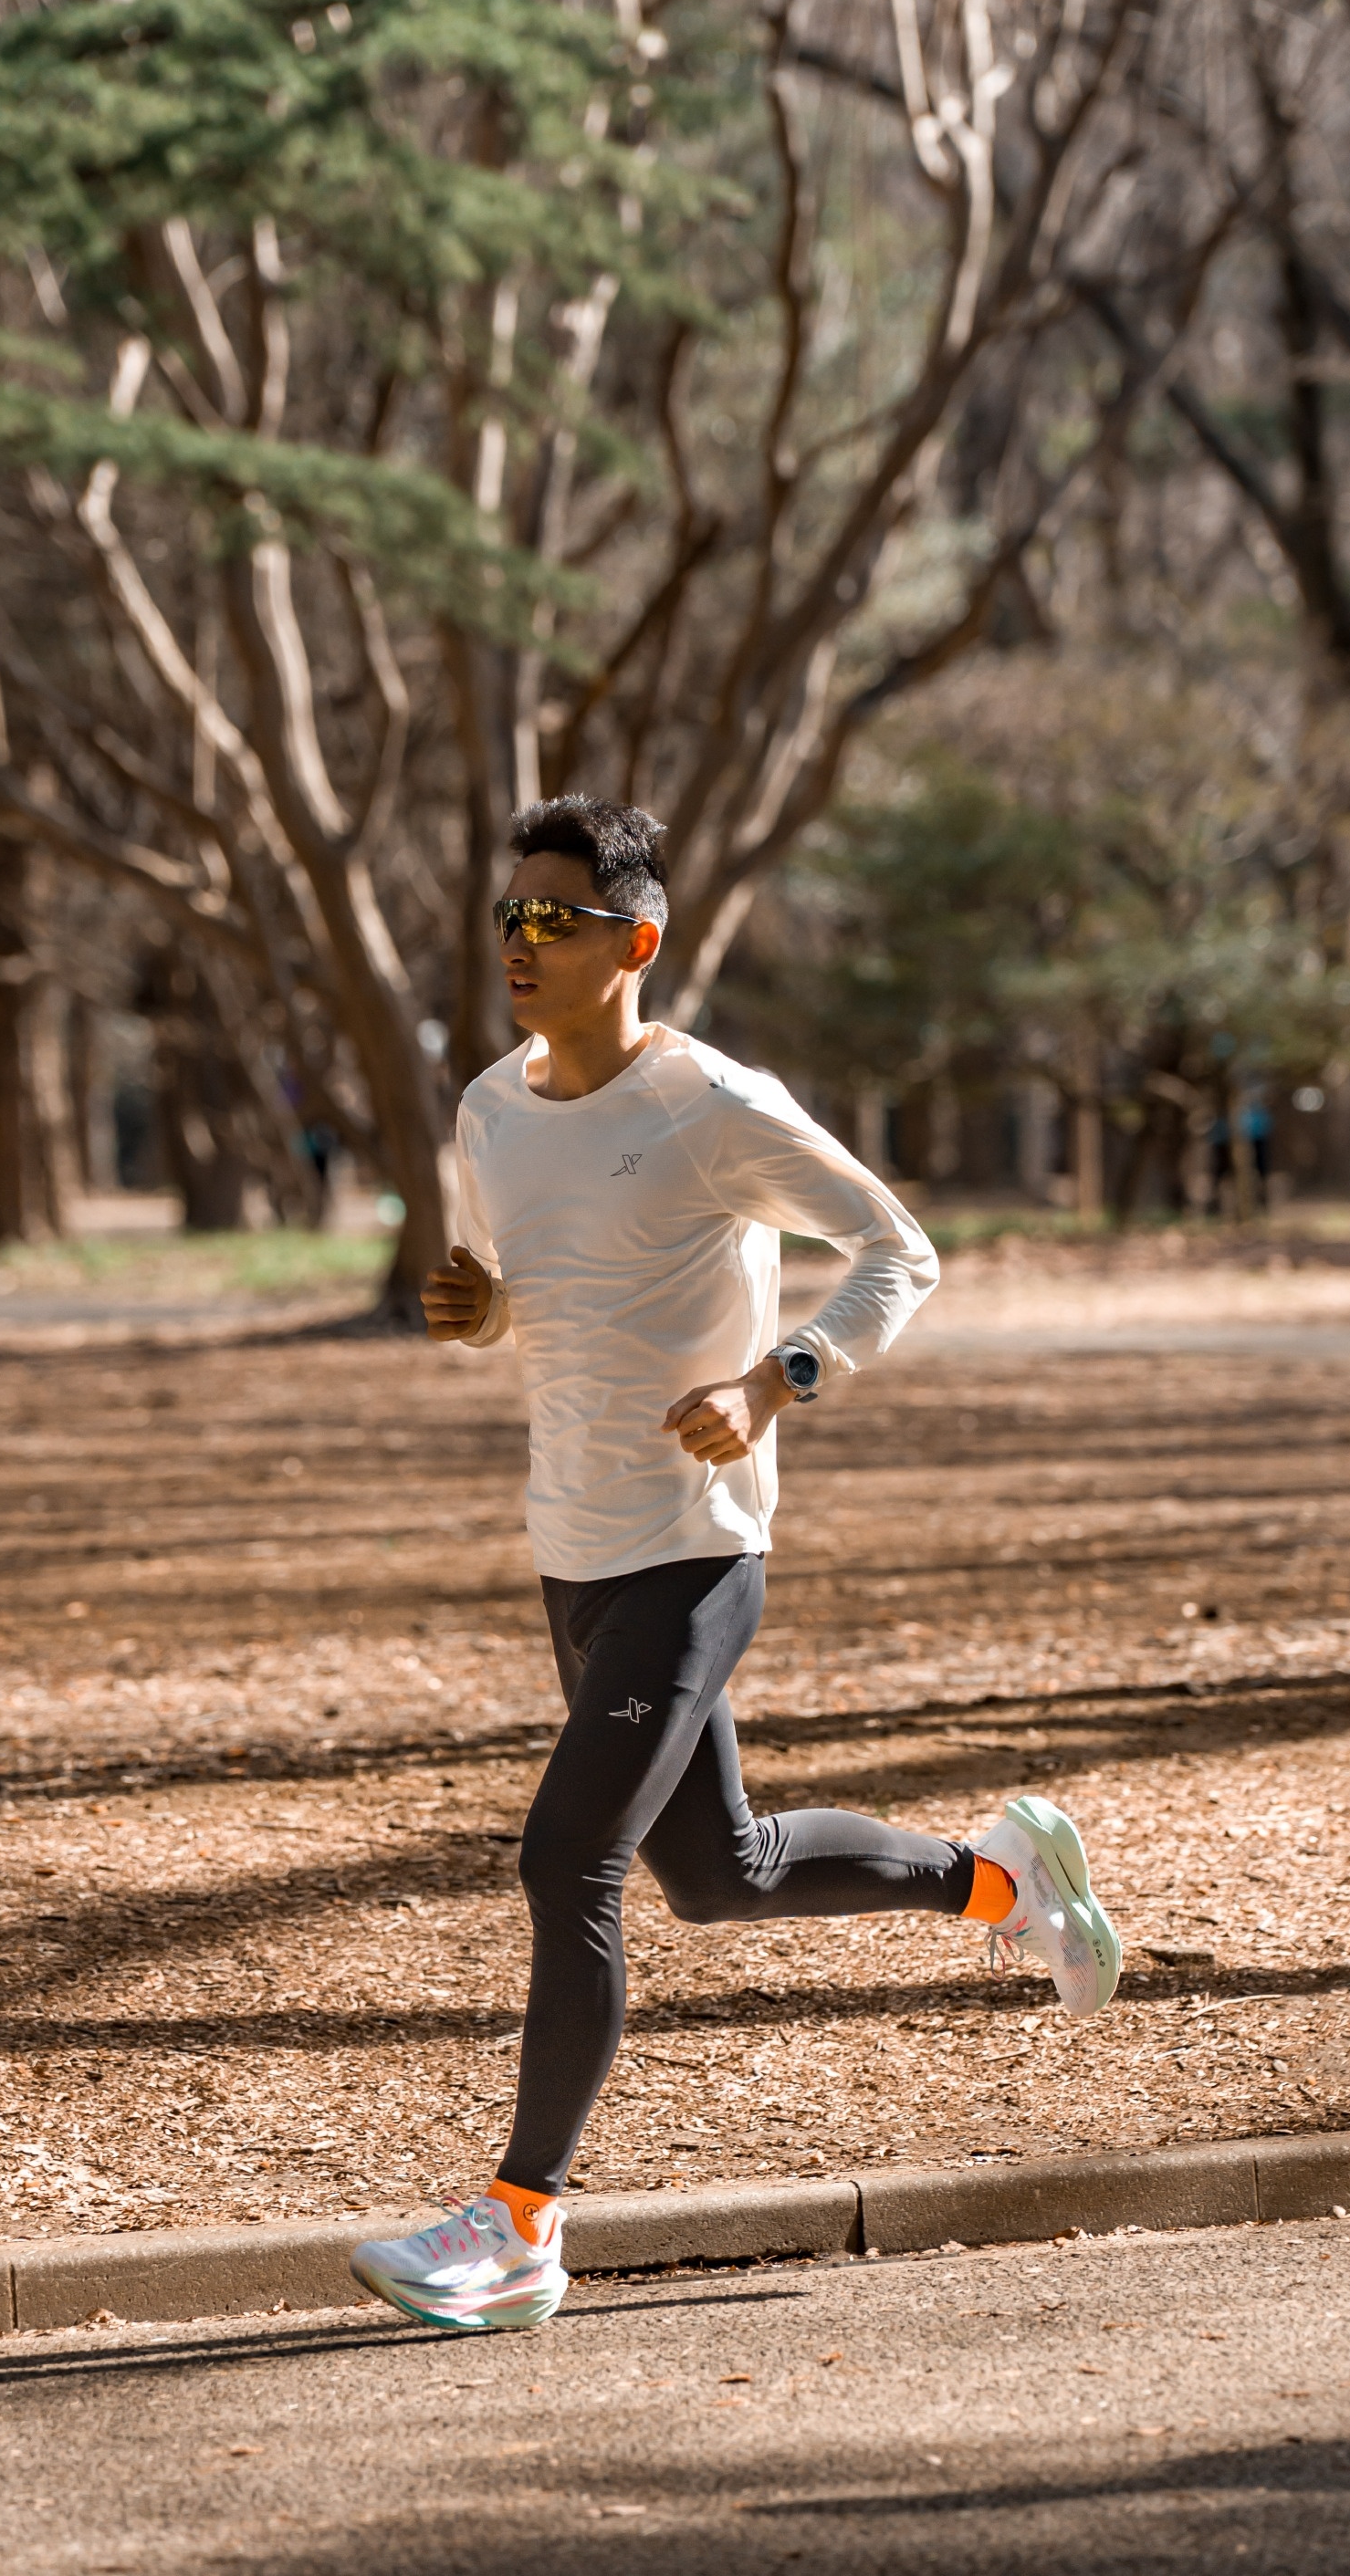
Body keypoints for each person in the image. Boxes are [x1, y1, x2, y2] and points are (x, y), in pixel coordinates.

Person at [351, 797, 1119, 2333]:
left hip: (697, 1554)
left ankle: (517, 2229)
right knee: (720, 1873)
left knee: (566, 1859)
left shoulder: (712, 1104)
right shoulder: (493, 1109)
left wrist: (781, 1380)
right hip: (570, 1547)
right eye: (509, 916)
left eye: (553, 920)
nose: (521, 942)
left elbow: (900, 1248)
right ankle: (1005, 1881)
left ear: (634, 944)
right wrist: (477, 1311)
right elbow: (523, 1287)